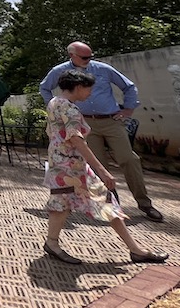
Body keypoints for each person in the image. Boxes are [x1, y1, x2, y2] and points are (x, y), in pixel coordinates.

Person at [43, 69, 167, 264]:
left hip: (63, 163)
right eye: (88, 89)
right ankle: (52, 243)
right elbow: (77, 140)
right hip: (70, 166)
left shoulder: (54, 102)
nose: (90, 93)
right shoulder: (70, 109)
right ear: (77, 87)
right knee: (68, 205)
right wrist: (101, 169)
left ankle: (135, 250)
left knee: (94, 202)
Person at [40, 41, 163, 222]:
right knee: (98, 165)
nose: (89, 60)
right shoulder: (59, 71)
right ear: (71, 56)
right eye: (84, 57)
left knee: (128, 159)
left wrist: (128, 109)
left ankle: (145, 203)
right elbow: (44, 87)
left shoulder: (103, 68)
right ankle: (113, 206)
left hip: (111, 120)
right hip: (83, 121)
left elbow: (128, 86)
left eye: (90, 56)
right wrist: (59, 109)